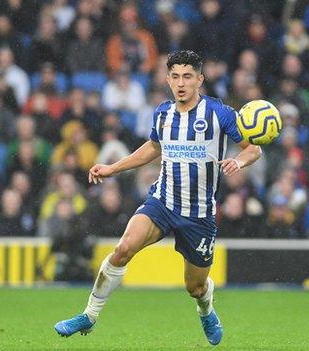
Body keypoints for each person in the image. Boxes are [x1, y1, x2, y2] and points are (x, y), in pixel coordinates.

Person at [54, 50, 262, 346]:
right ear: (167, 79)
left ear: (199, 80)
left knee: (195, 286)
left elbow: (253, 148)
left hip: (198, 214)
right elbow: (153, 148)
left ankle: (206, 307)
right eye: (175, 76)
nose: (181, 83)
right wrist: (113, 167)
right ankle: (89, 315)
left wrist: (238, 161)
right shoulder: (163, 113)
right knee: (124, 248)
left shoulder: (219, 113)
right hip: (162, 202)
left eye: (187, 76)